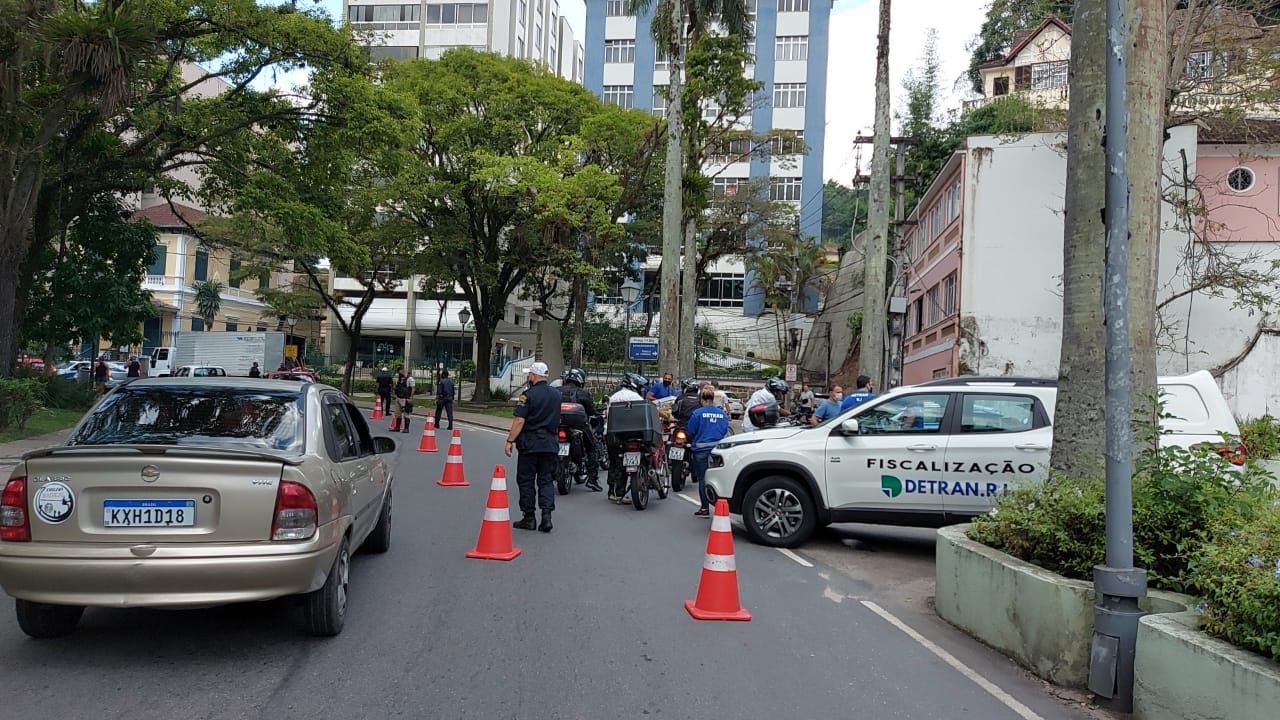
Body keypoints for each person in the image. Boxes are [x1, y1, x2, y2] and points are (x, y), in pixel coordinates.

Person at [504, 361, 561, 532]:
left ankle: (529, 517)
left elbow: (520, 420)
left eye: (530, 374)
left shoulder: (527, 395)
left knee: (526, 479)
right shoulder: (556, 395)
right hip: (550, 443)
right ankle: (546, 517)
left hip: (530, 444)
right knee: (546, 480)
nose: (529, 377)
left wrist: (510, 440)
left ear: (533, 376)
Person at [686, 386, 730, 517]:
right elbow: (724, 431)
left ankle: (705, 508)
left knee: (703, 479)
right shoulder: (722, 414)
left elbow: (690, 431)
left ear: (701, 399)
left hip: (700, 450)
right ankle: (721, 507)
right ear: (713, 399)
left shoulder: (697, 413)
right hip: (718, 451)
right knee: (719, 479)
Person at [605, 373, 647, 501]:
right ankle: (620, 492)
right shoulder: (637, 398)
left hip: (613, 435)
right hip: (633, 435)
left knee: (614, 463)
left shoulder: (614, 397)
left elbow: (607, 416)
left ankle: (612, 492)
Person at [559, 368, 602, 492]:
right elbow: (591, 411)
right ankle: (592, 480)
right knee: (592, 447)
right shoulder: (584, 393)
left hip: (558, 423)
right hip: (578, 425)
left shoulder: (557, 391)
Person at [393, 366, 415, 433]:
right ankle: (397, 427)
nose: (399, 372)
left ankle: (406, 428)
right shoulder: (399, 379)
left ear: (403, 370)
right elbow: (397, 387)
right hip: (398, 398)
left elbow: (413, 388)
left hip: (405, 399)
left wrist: (411, 398)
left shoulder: (410, 379)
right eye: (399, 371)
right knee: (398, 413)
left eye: (400, 370)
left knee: (406, 413)